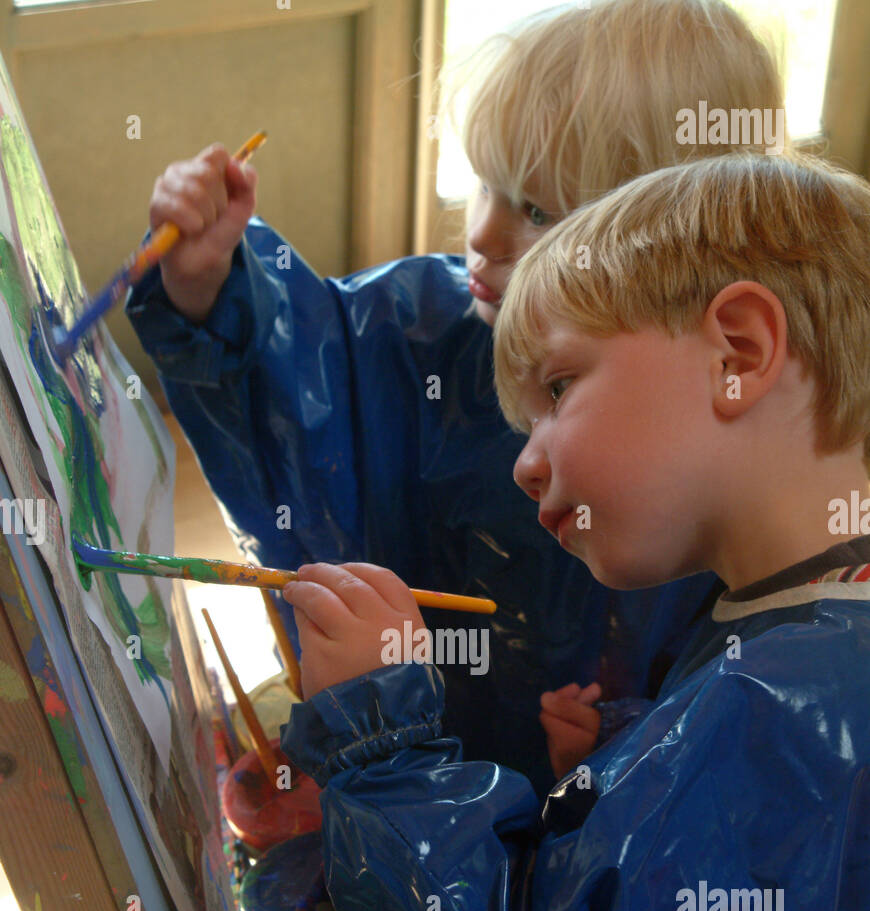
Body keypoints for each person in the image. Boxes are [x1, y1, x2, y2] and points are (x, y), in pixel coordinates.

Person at [279, 151, 870, 911]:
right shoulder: (802, 627)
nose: (526, 455)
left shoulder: (783, 706)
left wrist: (380, 744)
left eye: (557, 389)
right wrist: (624, 774)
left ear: (739, 351)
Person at [126, 0, 786, 796]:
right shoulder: (426, 328)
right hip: (410, 772)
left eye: (537, 210)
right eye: (485, 184)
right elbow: (296, 371)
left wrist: (626, 740)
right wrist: (207, 285)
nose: (480, 234)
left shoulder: (738, 418)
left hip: (560, 842)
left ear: (678, 240)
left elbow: (735, 688)